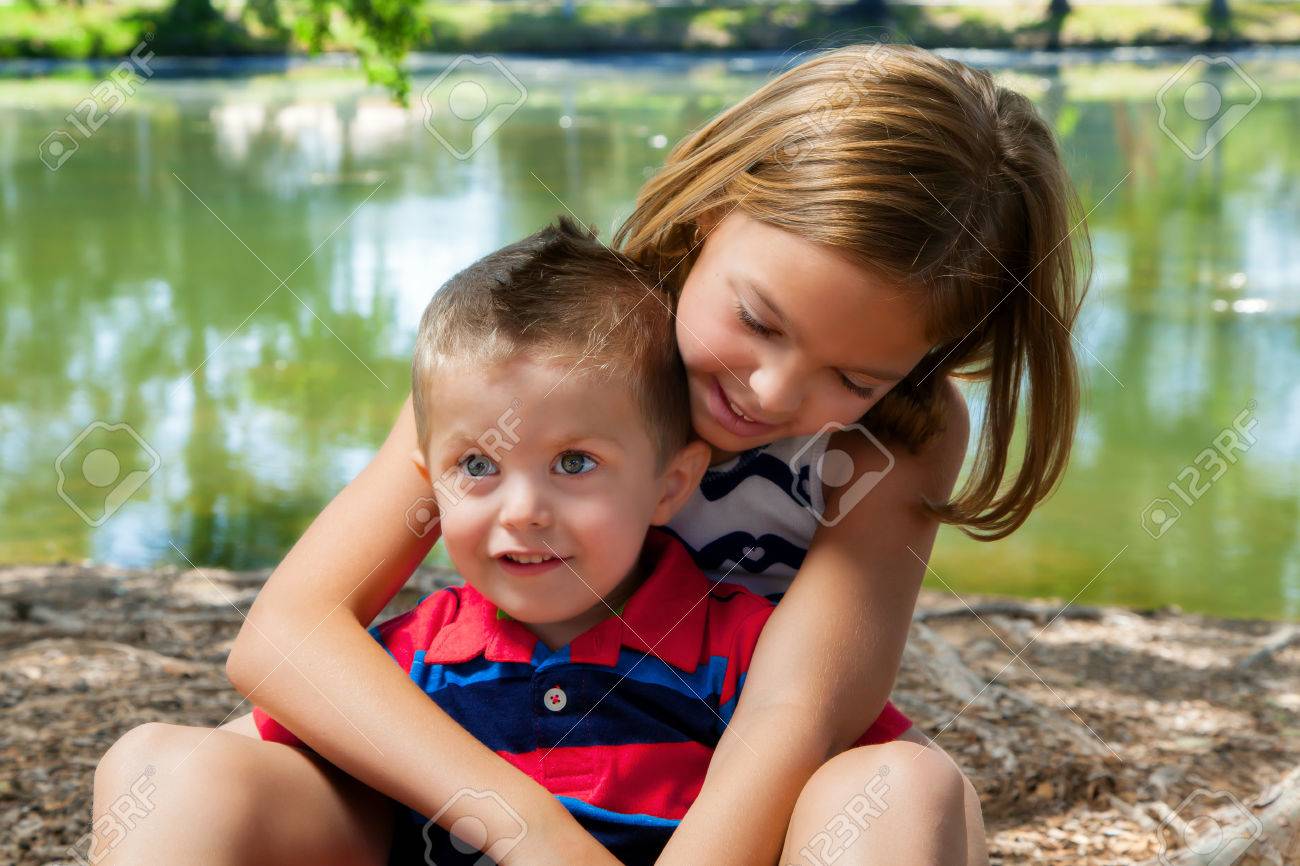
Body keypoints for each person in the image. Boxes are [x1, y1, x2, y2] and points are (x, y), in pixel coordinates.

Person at [95, 43, 1087, 866]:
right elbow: (286, 635)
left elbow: (801, 706)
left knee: (907, 790)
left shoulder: (901, 434)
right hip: (483, 784)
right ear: (709, 213)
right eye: (756, 318)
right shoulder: (550, 344)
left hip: (724, 807)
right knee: (162, 772)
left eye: (853, 376)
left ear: (924, 362)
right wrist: (535, 835)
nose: (775, 395)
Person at [252, 215, 825, 864]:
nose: (522, 512)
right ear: (429, 484)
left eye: (574, 463)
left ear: (671, 484)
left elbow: (852, 772)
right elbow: (258, 754)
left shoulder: (741, 655)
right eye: (477, 466)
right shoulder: (409, 663)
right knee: (160, 761)